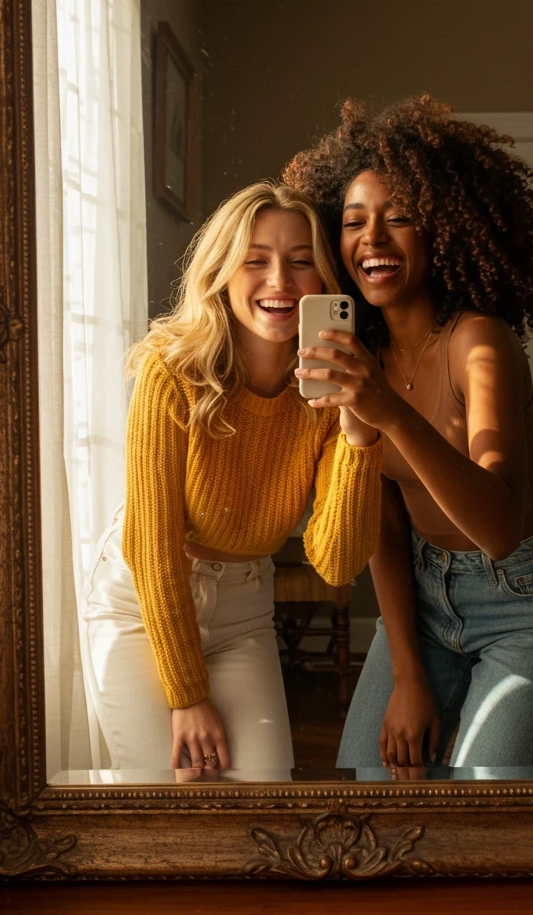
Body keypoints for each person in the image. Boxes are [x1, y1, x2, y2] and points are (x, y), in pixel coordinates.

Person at [284, 96, 533, 773]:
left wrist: (389, 413)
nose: (373, 239)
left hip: (526, 602)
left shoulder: (478, 343)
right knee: (369, 786)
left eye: (400, 219)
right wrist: (408, 678)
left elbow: (498, 527)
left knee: (477, 800)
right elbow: (387, 525)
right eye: (354, 222)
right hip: (423, 601)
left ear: (443, 231)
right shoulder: (356, 357)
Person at [80, 182, 383, 777]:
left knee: (261, 805)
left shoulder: (330, 393)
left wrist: (358, 432)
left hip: (244, 609)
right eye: (256, 261)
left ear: (324, 280)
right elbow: (153, 545)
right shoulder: (172, 372)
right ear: (221, 272)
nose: (281, 281)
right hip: (143, 603)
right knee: (167, 807)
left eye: (302, 262)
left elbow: (336, 563)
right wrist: (187, 695)